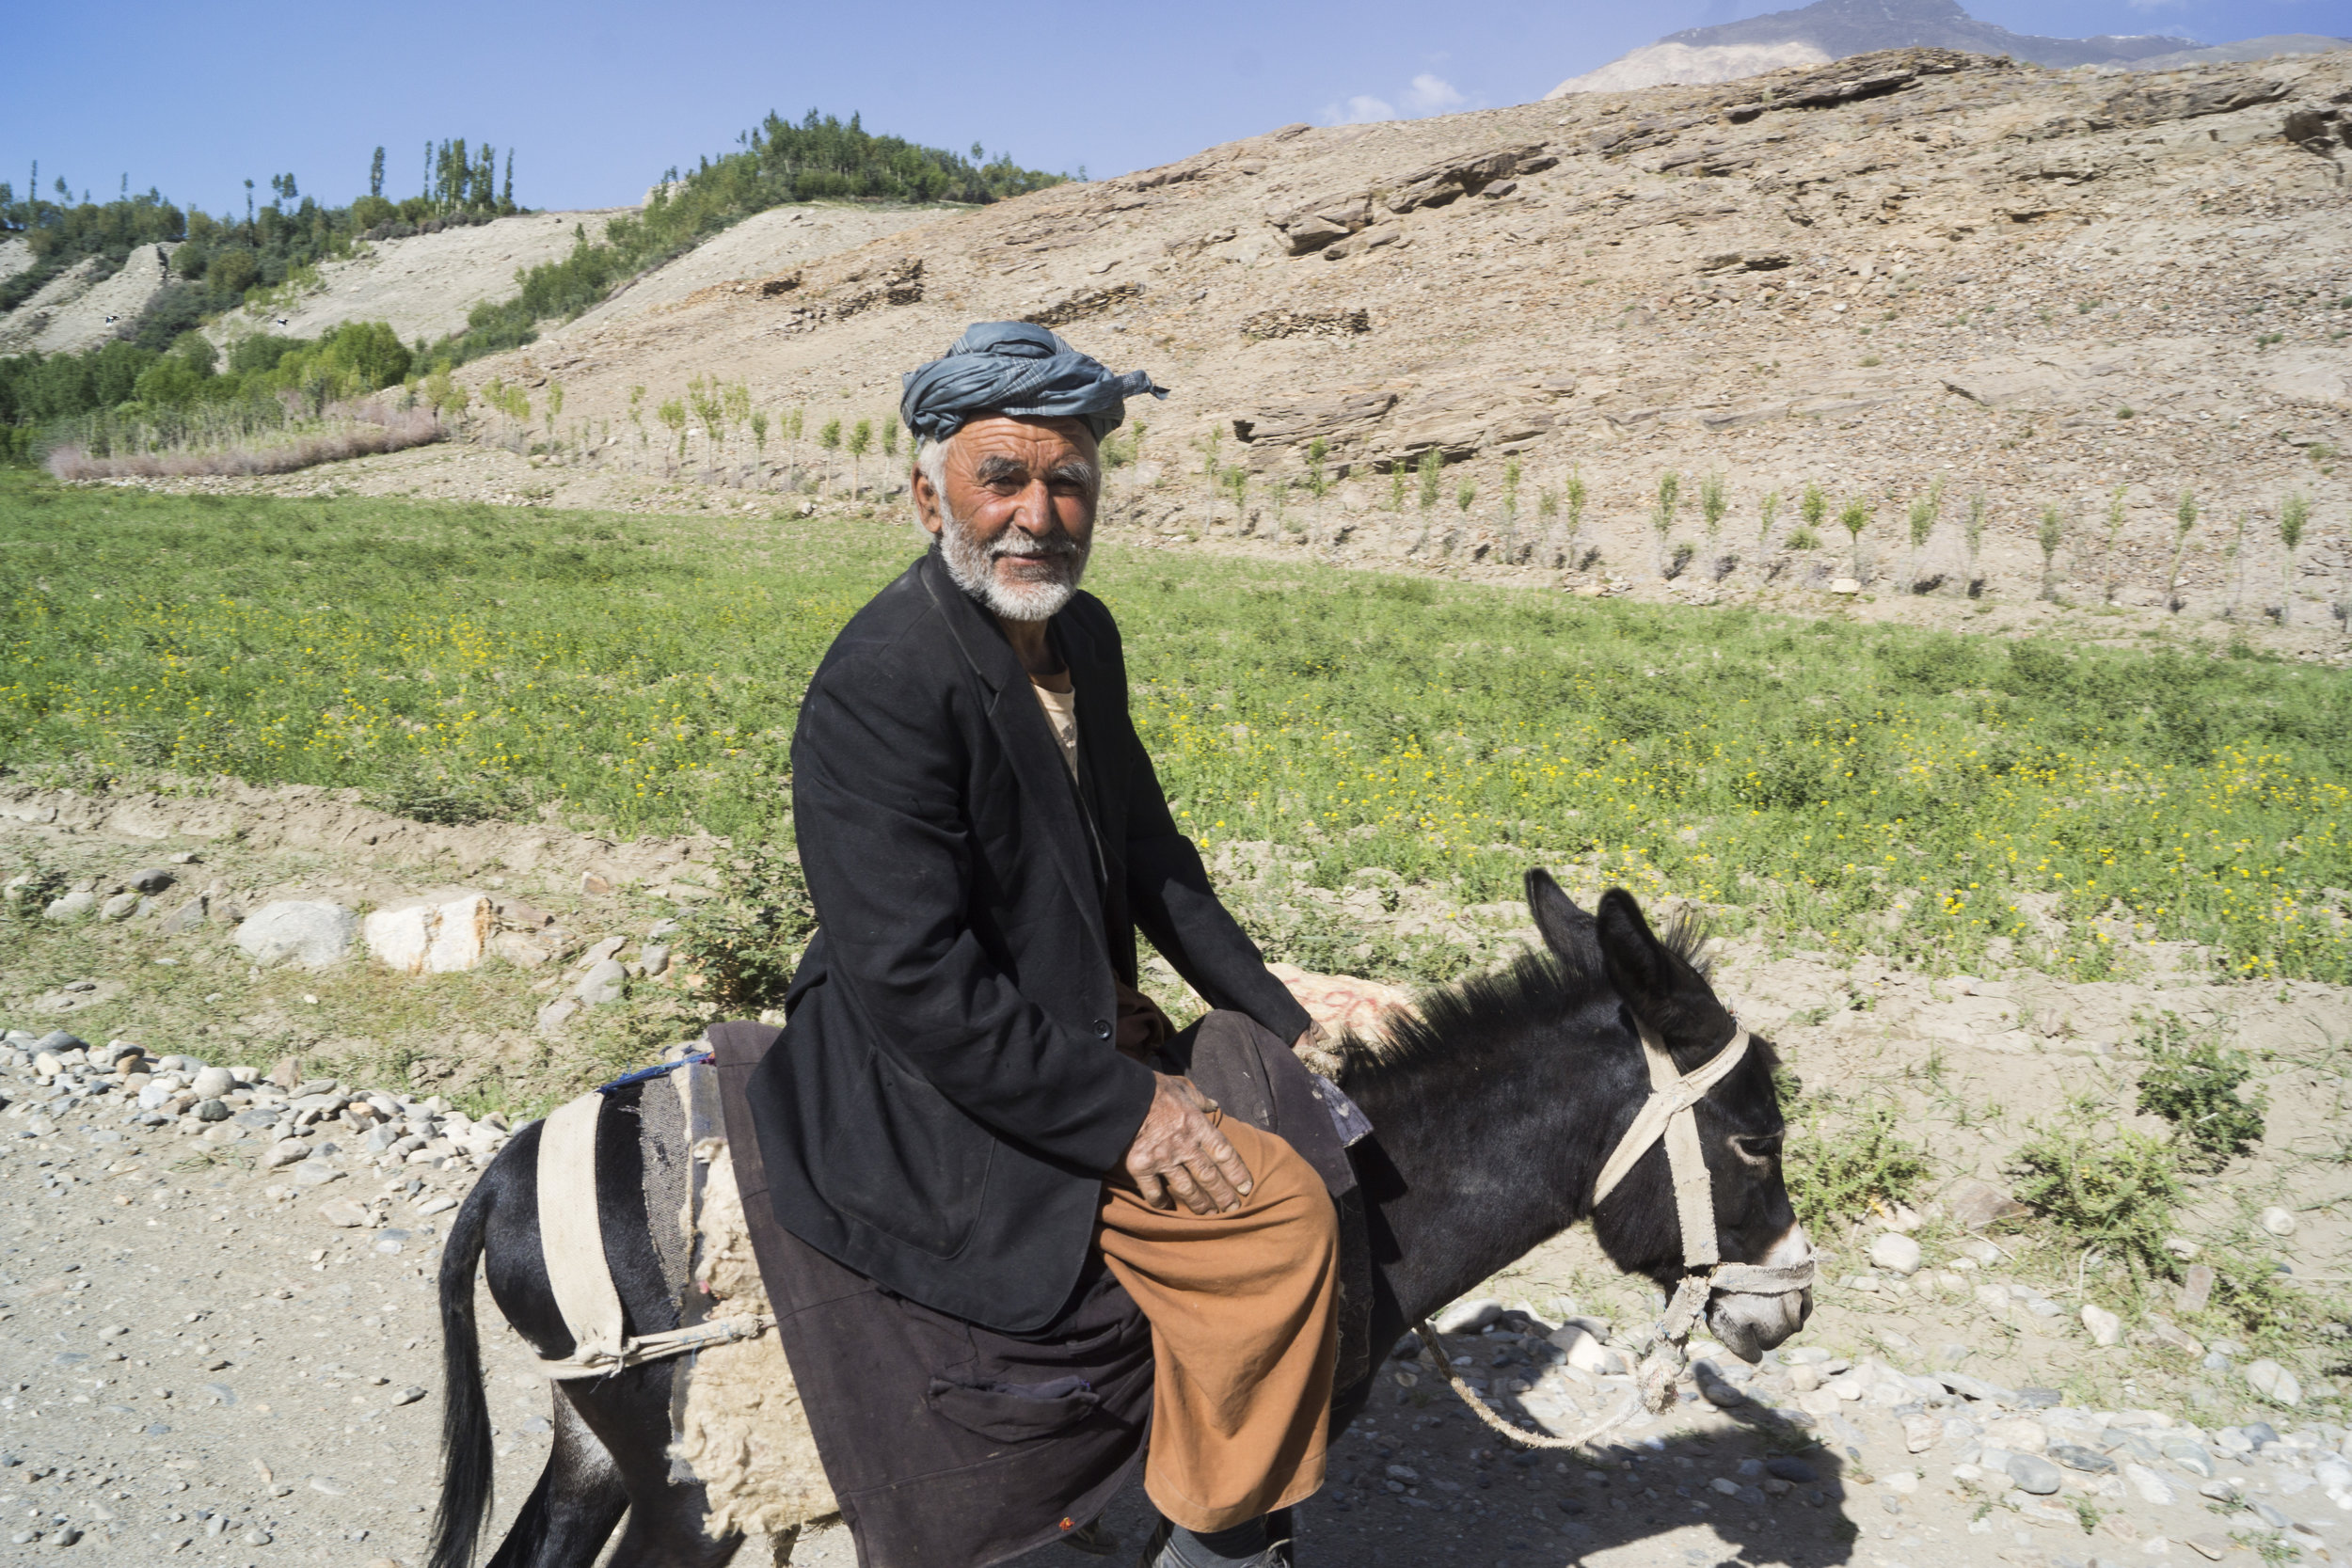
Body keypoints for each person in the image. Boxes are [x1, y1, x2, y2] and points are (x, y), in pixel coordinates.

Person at [747, 323, 1341, 1568]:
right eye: (1001, 478)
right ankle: (1215, 1544)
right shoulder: (885, 678)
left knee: (1294, 1103)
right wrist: (1131, 1112)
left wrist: (1289, 1020)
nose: (1037, 513)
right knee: (1283, 1217)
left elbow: (1157, 863)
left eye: (1067, 480)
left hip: (1054, 1015)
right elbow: (914, 979)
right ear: (929, 497)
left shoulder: (1085, 638)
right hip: (918, 1071)